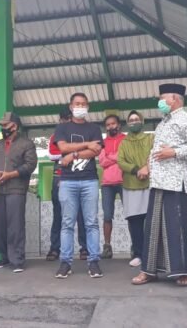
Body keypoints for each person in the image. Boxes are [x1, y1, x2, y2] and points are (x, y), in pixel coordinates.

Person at [132, 83, 187, 287]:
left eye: (162, 98)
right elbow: (155, 150)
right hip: (158, 182)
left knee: (177, 228)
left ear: (175, 99)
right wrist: (147, 166)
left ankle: (183, 271)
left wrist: (174, 152)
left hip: (177, 183)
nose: (160, 102)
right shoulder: (163, 122)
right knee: (153, 228)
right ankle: (149, 270)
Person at [53, 92, 104, 279]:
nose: (80, 106)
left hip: (90, 180)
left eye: (83, 104)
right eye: (77, 103)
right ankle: (65, 262)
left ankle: (94, 261)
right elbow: (63, 147)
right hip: (67, 181)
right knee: (67, 223)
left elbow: (95, 151)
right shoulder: (62, 128)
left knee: (91, 223)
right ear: (71, 106)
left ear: (88, 107)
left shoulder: (94, 128)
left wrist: (73, 155)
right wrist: (87, 144)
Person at [0, 112, 38, 273]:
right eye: (1, 125)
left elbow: (30, 165)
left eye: (5, 125)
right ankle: (4, 257)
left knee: (15, 226)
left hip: (16, 189)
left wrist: (10, 175)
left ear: (14, 126)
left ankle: (17, 260)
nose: (2, 128)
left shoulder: (27, 144)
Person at [46, 108, 88, 262]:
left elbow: (88, 152)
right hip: (60, 178)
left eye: (68, 119)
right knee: (58, 213)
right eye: (63, 119)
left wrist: (68, 153)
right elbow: (51, 155)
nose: (66, 122)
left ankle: (84, 248)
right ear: (60, 120)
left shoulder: (82, 135)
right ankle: (55, 248)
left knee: (81, 214)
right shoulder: (55, 136)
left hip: (79, 176)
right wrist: (74, 153)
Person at [117, 110, 154, 267]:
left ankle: (153, 255)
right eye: (131, 120)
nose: (134, 122)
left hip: (150, 184)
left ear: (142, 121)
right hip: (130, 185)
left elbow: (155, 155)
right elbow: (120, 161)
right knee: (135, 222)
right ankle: (138, 254)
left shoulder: (151, 138)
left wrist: (147, 168)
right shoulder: (124, 143)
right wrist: (137, 170)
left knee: (152, 221)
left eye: (136, 119)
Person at [98, 114, 125, 259]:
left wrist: (111, 156)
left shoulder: (126, 140)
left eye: (113, 123)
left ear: (118, 125)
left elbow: (125, 158)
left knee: (131, 215)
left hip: (124, 181)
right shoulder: (102, 142)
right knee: (107, 216)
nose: (110, 126)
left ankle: (136, 248)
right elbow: (102, 162)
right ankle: (107, 247)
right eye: (108, 125)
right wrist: (116, 157)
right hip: (107, 184)